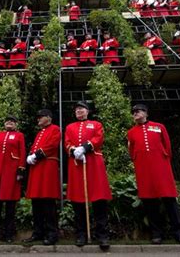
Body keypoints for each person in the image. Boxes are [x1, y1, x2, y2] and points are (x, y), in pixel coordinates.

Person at [127, 104, 180, 247]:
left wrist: (162, 159)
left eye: (137, 111)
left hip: (161, 167)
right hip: (143, 169)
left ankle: (179, 233)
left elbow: (167, 146)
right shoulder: (131, 132)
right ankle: (156, 233)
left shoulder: (159, 127)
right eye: (133, 113)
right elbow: (131, 151)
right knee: (149, 202)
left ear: (146, 113)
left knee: (169, 199)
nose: (135, 114)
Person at [64, 101, 112, 249]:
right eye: (77, 109)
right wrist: (73, 150)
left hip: (94, 163)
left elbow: (98, 138)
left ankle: (102, 235)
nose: (78, 111)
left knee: (99, 200)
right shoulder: (69, 127)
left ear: (87, 111)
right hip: (77, 164)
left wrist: (85, 147)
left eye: (81, 108)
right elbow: (67, 142)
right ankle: (81, 234)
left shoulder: (96, 124)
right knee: (78, 201)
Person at [0, 115, 26, 243]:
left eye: (12, 121)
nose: (9, 123)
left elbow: (22, 152)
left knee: (10, 206)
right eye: (7, 121)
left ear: (16, 124)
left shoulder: (19, 136)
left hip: (12, 173)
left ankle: (9, 234)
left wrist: (21, 169)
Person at [24, 109, 61, 245]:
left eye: (41, 117)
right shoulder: (39, 133)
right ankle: (38, 232)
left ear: (49, 117)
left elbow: (52, 145)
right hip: (37, 168)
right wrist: (30, 155)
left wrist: (37, 155)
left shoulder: (55, 129)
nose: (38, 119)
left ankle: (52, 233)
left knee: (48, 201)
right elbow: (34, 147)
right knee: (36, 202)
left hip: (47, 166)